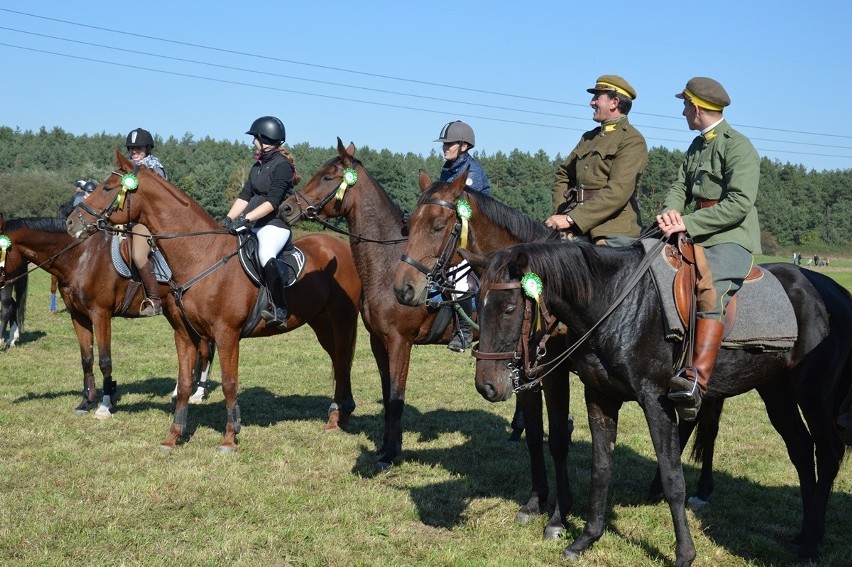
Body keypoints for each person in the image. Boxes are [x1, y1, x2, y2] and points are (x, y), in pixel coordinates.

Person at [656, 77, 762, 421]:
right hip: (692, 231)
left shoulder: (739, 147)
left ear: (697, 107)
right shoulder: (697, 146)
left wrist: (688, 223)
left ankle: (695, 382)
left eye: (685, 105)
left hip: (730, 238)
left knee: (709, 290)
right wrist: (673, 211)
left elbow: (739, 204)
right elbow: (679, 186)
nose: (683, 112)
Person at [545, 75, 648, 246]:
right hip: (575, 226)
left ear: (614, 102)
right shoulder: (588, 138)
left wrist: (572, 218)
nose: (591, 102)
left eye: (596, 97)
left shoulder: (632, 140)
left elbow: (618, 191)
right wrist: (562, 213)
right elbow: (562, 176)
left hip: (612, 231)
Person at [221, 116, 299, 328]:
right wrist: (228, 219)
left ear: (264, 139)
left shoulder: (282, 166)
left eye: (255, 138)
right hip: (253, 222)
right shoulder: (258, 166)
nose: (253, 141)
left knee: (265, 254)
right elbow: (245, 195)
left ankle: (280, 308)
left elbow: (273, 202)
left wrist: (245, 219)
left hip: (274, 224)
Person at [435, 120, 490, 352]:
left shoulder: (472, 173)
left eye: (450, 144)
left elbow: (465, 212)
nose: (445, 147)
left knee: (458, 281)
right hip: (453, 236)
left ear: (464, 146)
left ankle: (465, 333)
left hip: (474, 237)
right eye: (444, 144)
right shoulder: (448, 169)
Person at [125, 128, 168, 316]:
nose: (135, 152)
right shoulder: (126, 169)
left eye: (139, 148)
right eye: (132, 148)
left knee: (138, 255)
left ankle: (154, 300)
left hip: (146, 222)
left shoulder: (155, 169)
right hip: (124, 220)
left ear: (148, 148)